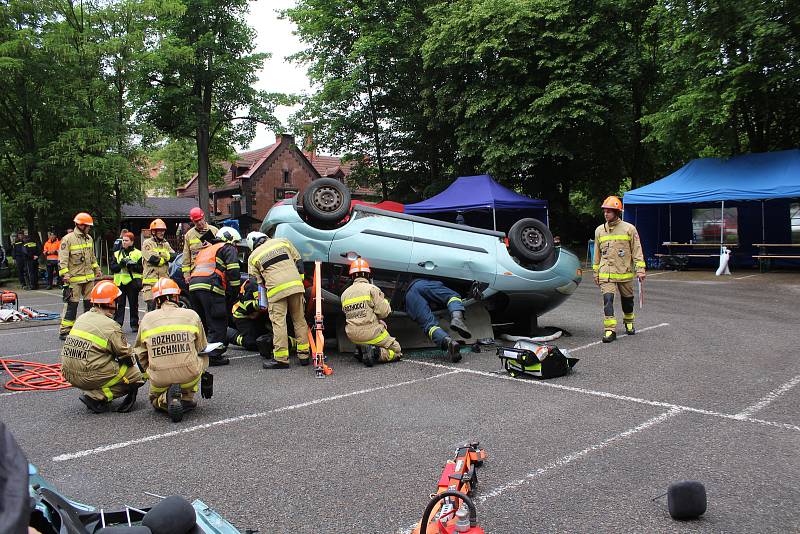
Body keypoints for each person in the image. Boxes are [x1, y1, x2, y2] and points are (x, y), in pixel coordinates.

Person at [59, 280, 144, 414]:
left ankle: (92, 390)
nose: (117, 303)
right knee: (136, 374)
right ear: (110, 302)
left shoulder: (82, 317)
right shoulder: (111, 326)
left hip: (68, 373)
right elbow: (126, 354)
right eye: (115, 300)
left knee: (104, 360)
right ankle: (97, 396)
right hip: (88, 375)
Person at [134, 278, 209, 423]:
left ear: (157, 301)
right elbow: (202, 347)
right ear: (176, 297)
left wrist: (149, 372)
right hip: (189, 376)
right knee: (202, 355)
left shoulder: (147, 319)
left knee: (154, 399)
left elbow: (140, 353)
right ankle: (186, 396)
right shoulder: (191, 315)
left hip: (159, 380)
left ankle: (163, 399)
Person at [248, 232, 310, 369]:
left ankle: (281, 359)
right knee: (299, 320)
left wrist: (261, 300)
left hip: (276, 291)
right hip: (296, 286)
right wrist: (299, 280)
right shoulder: (283, 241)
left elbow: (256, 282)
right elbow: (299, 262)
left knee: (279, 323)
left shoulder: (253, 257)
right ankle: (304, 355)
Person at [592, 195, 646, 342]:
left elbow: (637, 249)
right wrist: (595, 272)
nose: (606, 214)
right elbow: (596, 253)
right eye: (604, 211)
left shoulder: (629, 229)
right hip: (606, 272)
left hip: (624, 272)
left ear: (617, 212)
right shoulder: (599, 231)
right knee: (607, 299)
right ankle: (610, 330)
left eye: (609, 211)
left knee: (627, 300)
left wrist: (640, 269)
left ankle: (629, 322)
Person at [187, 226, 241, 365]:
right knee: (217, 320)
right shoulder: (226, 247)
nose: (236, 247)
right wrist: (234, 292)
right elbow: (234, 271)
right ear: (230, 239)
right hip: (210, 287)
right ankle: (214, 355)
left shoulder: (206, 250)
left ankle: (201, 351)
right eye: (236, 243)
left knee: (204, 321)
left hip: (194, 288)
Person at [340, 257, 401, 367]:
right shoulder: (372, 289)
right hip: (371, 333)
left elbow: (352, 314)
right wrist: (385, 302)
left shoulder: (344, 294)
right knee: (396, 350)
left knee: (366, 335)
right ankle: (374, 353)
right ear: (368, 275)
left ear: (352, 276)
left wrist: (376, 320)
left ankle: (361, 350)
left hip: (352, 335)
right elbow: (384, 312)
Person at [404, 279, 472, 362]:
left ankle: (449, 343)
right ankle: (457, 318)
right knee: (453, 296)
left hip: (409, 297)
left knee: (429, 326)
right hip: (421, 284)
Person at [58, 213, 102, 339]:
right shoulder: (68, 239)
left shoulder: (89, 238)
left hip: (88, 278)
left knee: (89, 305)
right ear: (81, 225)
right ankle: (65, 331)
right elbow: (63, 260)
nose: (89, 228)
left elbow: (92, 257)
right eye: (88, 226)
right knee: (72, 305)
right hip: (74, 279)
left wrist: (97, 269)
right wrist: (65, 275)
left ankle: (86, 328)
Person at [109, 231, 142, 331]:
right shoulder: (117, 253)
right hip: (120, 283)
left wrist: (132, 266)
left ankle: (134, 324)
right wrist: (121, 265)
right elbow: (112, 268)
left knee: (134, 304)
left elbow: (141, 269)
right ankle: (118, 324)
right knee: (120, 304)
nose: (124, 242)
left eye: (126, 240)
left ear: (132, 242)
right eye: (123, 240)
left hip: (132, 283)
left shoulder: (138, 253)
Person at [141, 219, 176, 311]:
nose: (162, 232)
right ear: (153, 231)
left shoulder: (166, 244)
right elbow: (153, 259)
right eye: (159, 230)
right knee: (151, 309)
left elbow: (174, 256)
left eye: (163, 230)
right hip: (150, 283)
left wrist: (161, 255)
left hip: (164, 282)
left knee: (165, 308)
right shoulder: (147, 243)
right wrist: (165, 257)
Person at [182, 208, 218, 276]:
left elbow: (222, 250)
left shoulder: (215, 231)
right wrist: (186, 275)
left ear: (204, 217)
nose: (199, 223)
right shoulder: (189, 235)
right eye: (196, 221)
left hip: (212, 272)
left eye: (200, 220)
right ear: (192, 221)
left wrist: (212, 247)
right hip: (196, 272)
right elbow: (186, 257)